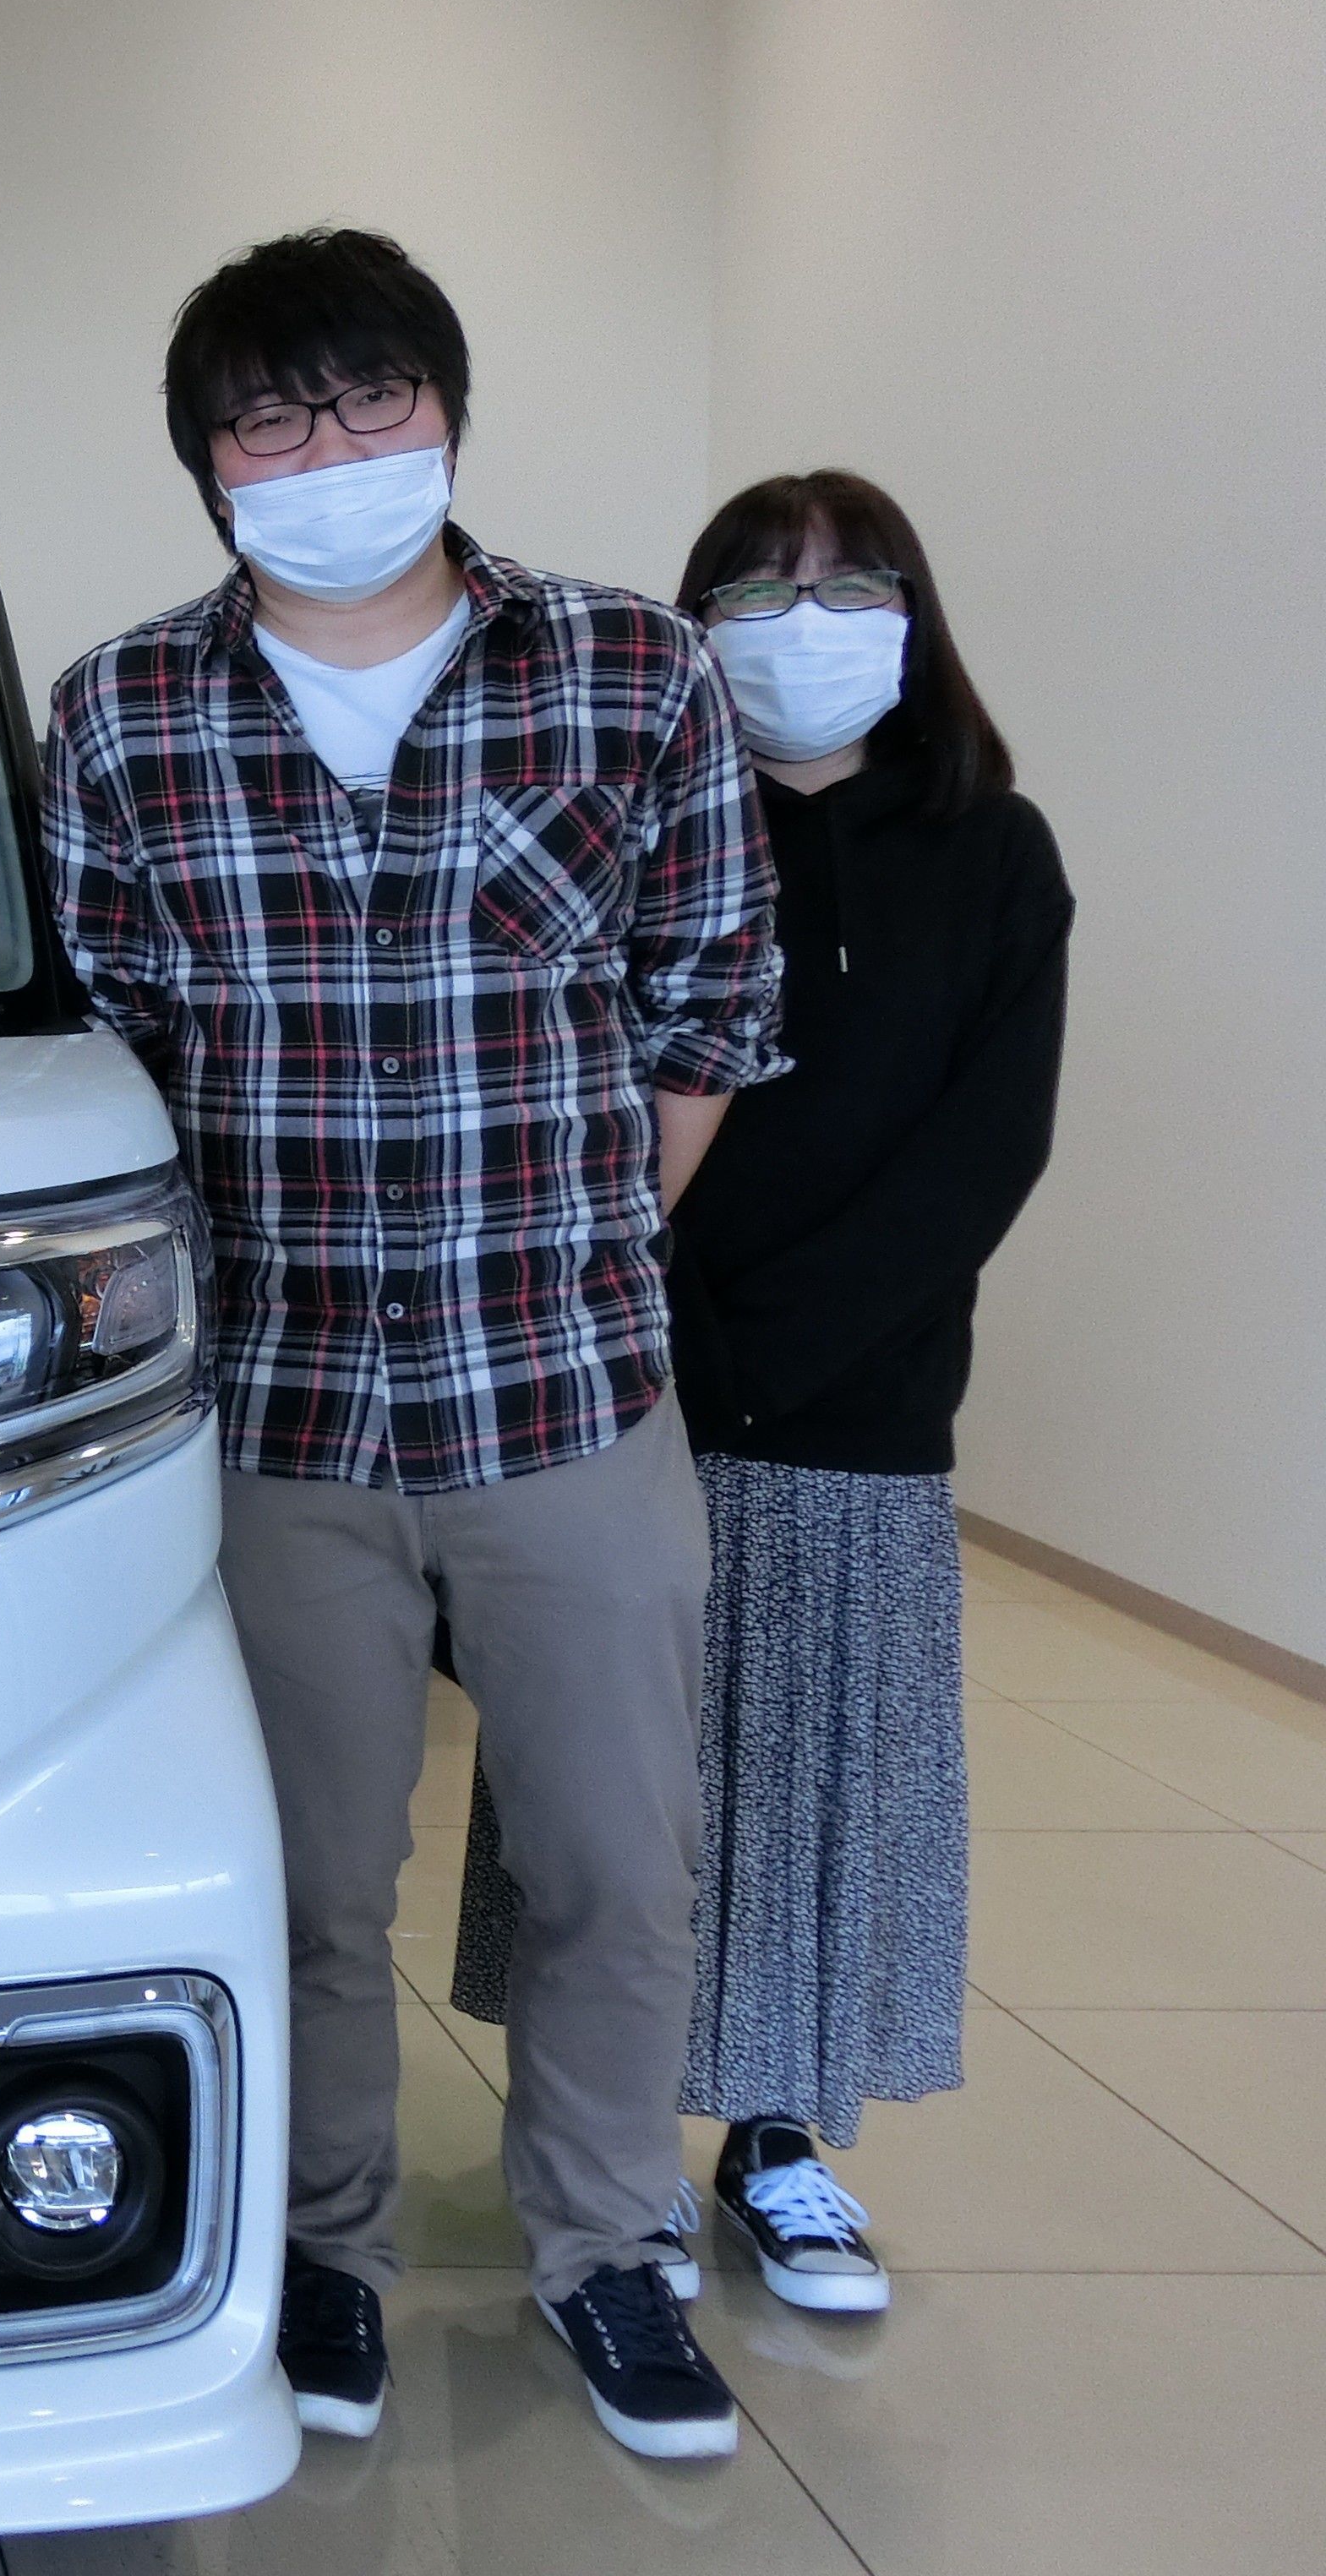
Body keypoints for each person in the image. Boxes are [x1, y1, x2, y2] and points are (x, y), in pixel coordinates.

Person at [41, 229, 783, 2461]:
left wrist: (570, 1249)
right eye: (272, 419)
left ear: (448, 413)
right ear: (208, 465)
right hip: (269, 1411)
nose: (330, 450)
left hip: (565, 1389)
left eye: (373, 400)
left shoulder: (630, 672)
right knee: (300, 1879)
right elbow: (102, 1058)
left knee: (615, 1863)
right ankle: (321, 2249)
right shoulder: (123, 714)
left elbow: (706, 1014)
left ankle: (608, 2249)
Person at [445, 471, 1067, 2317]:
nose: (807, 628)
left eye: (850, 587)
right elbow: (569, 1096)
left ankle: (779, 2146)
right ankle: (604, 2144)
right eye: (759, 592)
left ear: (914, 617)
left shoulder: (993, 849)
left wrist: (785, 1352)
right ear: (692, 627)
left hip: (866, 1400)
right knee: (612, 1793)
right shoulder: (630, 828)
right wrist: (671, 1338)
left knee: (817, 1785)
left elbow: (989, 1147)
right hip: (623, 1380)